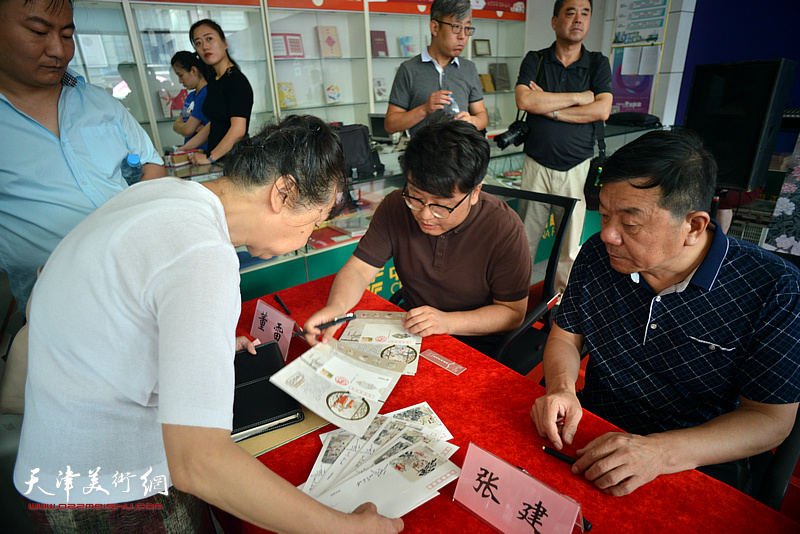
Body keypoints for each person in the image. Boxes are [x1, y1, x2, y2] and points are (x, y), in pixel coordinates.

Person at [13, 115, 404, 534]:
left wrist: (197, 345)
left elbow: (66, 305)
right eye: (313, 221)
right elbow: (199, 464)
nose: (309, 236)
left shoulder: (165, 193)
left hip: (54, 463)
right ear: (283, 192)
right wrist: (350, 529)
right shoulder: (204, 254)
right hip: (115, 491)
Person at [530, 129, 800, 497]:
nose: (607, 234)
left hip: (695, 457)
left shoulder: (773, 288)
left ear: (693, 226)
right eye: (605, 214)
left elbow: (770, 420)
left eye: (630, 223)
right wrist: (562, 388)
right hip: (591, 428)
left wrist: (658, 453)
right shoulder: (598, 255)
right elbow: (565, 335)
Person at [304, 119, 531, 356]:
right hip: (412, 333)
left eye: (441, 206)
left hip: (479, 344)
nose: (424, 215)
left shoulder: (503, 227)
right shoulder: (394, 205)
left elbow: (512, 313)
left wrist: (446, 322)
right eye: (415, 197)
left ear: (474, 192)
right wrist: (336, 308)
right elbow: (359, 270)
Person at [0, 0, 165, 313]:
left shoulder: (100, 102)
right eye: (38, 31)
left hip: (144, 284)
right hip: (62, 309)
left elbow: (153, 165)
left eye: (66, 35)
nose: (58, 51)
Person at [514, 0, 612, 293]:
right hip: (536, 166)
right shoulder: (536, 59)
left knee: (569, 250)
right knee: (523, 243)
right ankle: (514, 304)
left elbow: (602, 110)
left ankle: (559, 315)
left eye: (585, 13)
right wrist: (580, 97)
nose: (578, 19)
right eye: (570, 12)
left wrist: (551, 108)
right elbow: (525, 101)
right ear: (555, 21)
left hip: (577, 168)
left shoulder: (597, 63)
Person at [384, 0, 487, 137]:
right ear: (435, 28)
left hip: (461, 155)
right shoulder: (409, 69)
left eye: (467, 28)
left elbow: (481, 115)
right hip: (423, 155)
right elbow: (390, 125)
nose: (462, 36)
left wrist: (472, 121)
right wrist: (424, 109)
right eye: (456, 27)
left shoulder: (469, 68)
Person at [178, 19, 253, 165]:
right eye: (198, 43)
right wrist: (186, 148)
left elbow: (238, 130)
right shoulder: (214, 80)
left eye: (209, 39)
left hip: (235, 161)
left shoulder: (236, 80)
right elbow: (215, 124)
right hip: (218, 161)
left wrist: (210, 158)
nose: (205, 46)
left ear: (225, 43)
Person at [171, 50, 209, 153]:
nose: (180, 81)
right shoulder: (191, 96)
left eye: (181, 75)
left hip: (204, 152)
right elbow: (176, 125)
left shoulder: (205, 94)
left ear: (193, 70)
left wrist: (187, 127)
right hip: (192, 153)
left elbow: (187, 131)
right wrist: (191, 126)